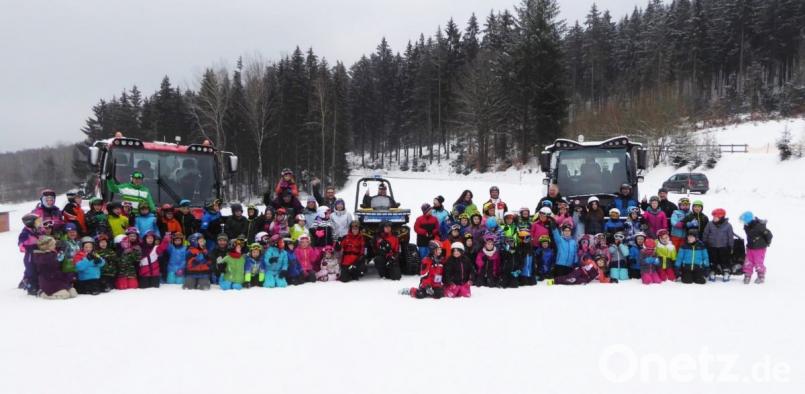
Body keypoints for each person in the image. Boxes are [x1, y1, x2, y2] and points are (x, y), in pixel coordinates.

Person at [740, 211, 772, 284]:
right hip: (750, 247)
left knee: (758, 262)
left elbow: (769, 235)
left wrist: (767, 243)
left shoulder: (759, 226)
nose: (743, 223)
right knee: (748, 261)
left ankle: (761, 275)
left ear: (749, 220)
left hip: (759, 248)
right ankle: (747, 274)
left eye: (744, 221)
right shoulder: (747, 226)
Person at [703, 208, 735, 282]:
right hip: (712, 246)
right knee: (713, 259)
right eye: (713, 217)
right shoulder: (710, 224)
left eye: (716, 217)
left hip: (723, 247)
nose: (714, 218)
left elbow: (730, 236)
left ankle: (726, 271)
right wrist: (705, 242)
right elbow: (706, 233)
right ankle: (713, 270)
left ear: (721, 217)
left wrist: (731, 246)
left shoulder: (728, 225)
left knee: (724, 260)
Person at [18, 213, 40, 295]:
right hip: (30, 256)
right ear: (30, 223)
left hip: (37, 254)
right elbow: (21, 245)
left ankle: (37, 285)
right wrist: (30, 247)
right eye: (37, 222)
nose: (39, 223)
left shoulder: (36, 230)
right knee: (31, 271)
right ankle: (31, 287)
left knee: (37, 270)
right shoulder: (25, 233)